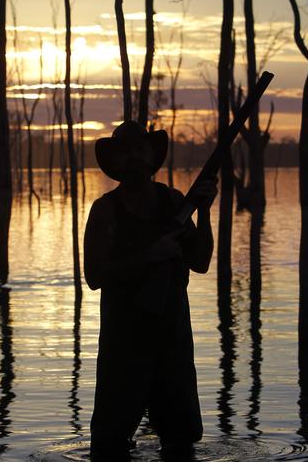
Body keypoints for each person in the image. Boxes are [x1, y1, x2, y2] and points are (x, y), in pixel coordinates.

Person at [84, 121, 218, 459]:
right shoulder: (106, 210)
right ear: (115, 162)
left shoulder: (174, 202)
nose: (134, 157)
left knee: (180, 440)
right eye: (126, 151)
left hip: (171, 335)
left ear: (151, 155)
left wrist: (203, 209)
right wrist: (150, 255)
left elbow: (200, 262)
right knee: (110, 441)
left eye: (140, 149)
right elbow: (94, 276)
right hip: (124, 338)